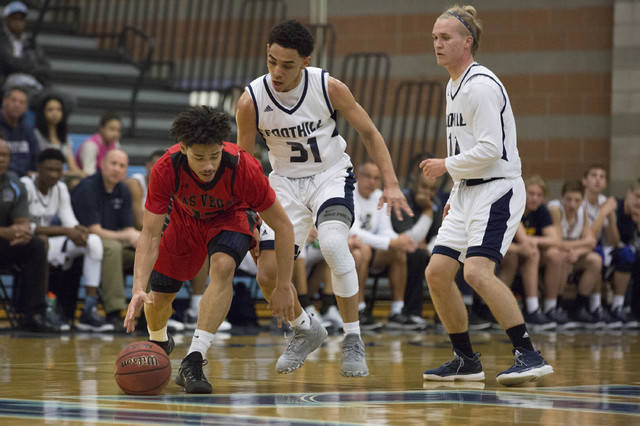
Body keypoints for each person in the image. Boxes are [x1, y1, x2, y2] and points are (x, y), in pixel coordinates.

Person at [236, 20, 412, 377]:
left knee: (333, 243)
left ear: (305, 61)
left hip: (330, 176)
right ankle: (305, 329)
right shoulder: (251, 100)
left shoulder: (328, 87)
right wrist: (247, 212)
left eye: (286, 65)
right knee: (267, 276)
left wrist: (391, 183)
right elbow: (245, 162)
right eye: (271, 61)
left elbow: (370, 133)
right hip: (283, 184)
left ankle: (352, 337)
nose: (276, 72)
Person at [420, 5, 553, 386]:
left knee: (477, 271)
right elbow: (467, 148)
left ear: (468, 42)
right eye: (434, 37)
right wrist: (455, 188)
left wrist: (447, 165)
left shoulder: (479, 85)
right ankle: (466, 360)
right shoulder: (453, 84)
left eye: (445, 38)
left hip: (497, 188)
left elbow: (491, 150)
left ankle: (528, 353)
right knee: (438, 272)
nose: (438, 44)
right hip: (467, 191)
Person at [123, 106, 297, 394]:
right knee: (160, 294)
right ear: (183, 148)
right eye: (199, 157)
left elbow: (284, 227)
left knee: (223, 266)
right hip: (185, 221)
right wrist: (138, 287)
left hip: (231, 217)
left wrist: (283, 284)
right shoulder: (166, 167)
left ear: (222, 148)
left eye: (214, 156)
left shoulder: (244, 167)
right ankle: (159, 341)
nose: (207, 166)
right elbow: (151, 234)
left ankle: (195, 357)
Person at [125, 150, 230, 333]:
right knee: (156, 248)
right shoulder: (136, 183)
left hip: (164, 231)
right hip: (137, 235)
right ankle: (159, 318)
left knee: (200, 247)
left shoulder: (175, 179)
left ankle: (195, 308)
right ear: (148, 167)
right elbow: (141, 223)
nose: (160, 169)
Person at [20, 148, 111, 331]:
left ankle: (89, 310)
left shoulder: (61, 188)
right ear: (38, 168)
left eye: (58, 170)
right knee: (42, 243)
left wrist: (81, 231)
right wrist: (67, 230)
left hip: (51, 242)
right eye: (49, 170)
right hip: (26, 244)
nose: (54, 175)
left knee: (93, 242)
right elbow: (26, 227)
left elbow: (70, 221)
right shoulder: (25, 185)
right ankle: (45, 308)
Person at [71, 149, 140, 331]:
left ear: (126, 170)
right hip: (84, 242)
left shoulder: (123, 190)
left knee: (145, 252)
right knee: (113, 248)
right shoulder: (88, 187)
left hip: (111, 242)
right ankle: (115, 312)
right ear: (102, 164)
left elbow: (127, 228)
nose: (117, 169)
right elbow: (95, 230)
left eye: (122, 165)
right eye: (113, 163)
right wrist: (129, 235)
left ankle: (152, 311)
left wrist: (139, 238)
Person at [351, 161, 421, 329]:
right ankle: (359, 310)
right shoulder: (349, 194)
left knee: (398, 251)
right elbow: (353, 233)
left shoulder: (379, 196)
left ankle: (397, 311)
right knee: (363, 250)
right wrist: (391, 242)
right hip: (351, 250)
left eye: (376, 178)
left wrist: (400, 240)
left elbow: (386, 230)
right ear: (358, 177)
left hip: (374, 250)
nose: (372, 182)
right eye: (368, 176)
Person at [497, 175, 572, 330]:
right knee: (531, 253)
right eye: (531, 194)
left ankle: (550, 307)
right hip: (505, 253)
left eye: (539, 195)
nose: (534, 198)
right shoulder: (514, 206)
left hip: (525, 256)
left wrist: (537, 241)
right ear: (522, 193)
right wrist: (532, 243)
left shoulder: (541, 211)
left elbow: (555, 240)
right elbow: (523, 240)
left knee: (554, 255)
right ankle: (531, 309)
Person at [0, 137, 58, 332]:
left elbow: (22, 223)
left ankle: (34, 313)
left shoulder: (14, 184)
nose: (1, 159)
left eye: (5, 155)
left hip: (5, 243)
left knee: (36, 244)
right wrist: (6, 231)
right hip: (4, 235)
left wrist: (23, 233)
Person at [391, 163, 443, 329]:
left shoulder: (437, 203)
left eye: (432, 189)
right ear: (414, 185)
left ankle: (442, 316)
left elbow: (438, 234)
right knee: (416, 254)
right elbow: (410, 238)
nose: (428, 192)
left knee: (447, 259)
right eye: (424, 187)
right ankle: (411, 312)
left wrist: (429, 249)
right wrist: (428, 212)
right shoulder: (402, 200)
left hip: (423, 250)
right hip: (396, 251)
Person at [547, 181, 603, 327]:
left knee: (595, 260)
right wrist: (579, 246)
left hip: (572, 254)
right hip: (549, 255)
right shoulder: (555, 209)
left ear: (582, 200)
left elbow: (591, 242)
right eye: (569, 199)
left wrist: (577, 252)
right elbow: (556, 242)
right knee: (560, 256)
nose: (572, 204)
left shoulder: (582, 211)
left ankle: (579, 306)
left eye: (577, 200)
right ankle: (555, 306)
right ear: (562, 198)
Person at [581, 164, 622, 325]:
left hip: (598, 246)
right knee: (597, 253)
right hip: (580, 245)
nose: (598, 180)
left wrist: (610, 216)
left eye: (602, 177)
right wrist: (603, 213)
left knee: (625, 254)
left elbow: (615, 241)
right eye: (593, 175)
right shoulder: (580, 201)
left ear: (605, 183)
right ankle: (594, 306)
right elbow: (590, 236)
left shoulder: (606, 202)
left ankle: (618, 306)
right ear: (584, 181)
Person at [0, 1, 50, 94]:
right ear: (6, 20)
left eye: (21, 19)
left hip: (32, 83)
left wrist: (29, 68)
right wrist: (29, 66)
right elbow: (9, 63)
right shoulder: (2, 42)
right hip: (7, 84)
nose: (18, 23)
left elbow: (45, 68)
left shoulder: (31, 43)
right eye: (14, 19)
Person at [34, 93, 84, 178]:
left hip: (63, 176)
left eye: (58, 109)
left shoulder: (65, 137)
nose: (55, 113)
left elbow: (72, 167)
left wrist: (84, 175)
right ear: (43, 112)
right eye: (50, 110)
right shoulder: (36, 135)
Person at [612, 179, 640, 324]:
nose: (638, 202)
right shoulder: (615, 208)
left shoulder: (636, 215)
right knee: (626, 255)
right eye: (637, 196)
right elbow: (614, 242)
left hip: (628, 256)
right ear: (628, 193)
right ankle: (618, 307)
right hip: (610, 252)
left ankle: (633, 309)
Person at [0, 86, 38, 176]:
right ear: (4, 101)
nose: (17, 105)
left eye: (22, 102)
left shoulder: (28, 130)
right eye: (13, 100)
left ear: (26, 108)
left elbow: (36, 157)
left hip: (27, 178)